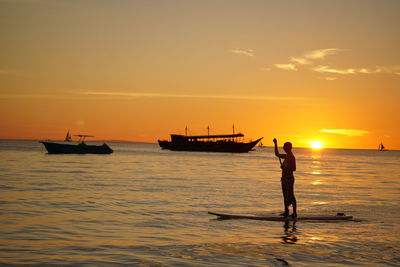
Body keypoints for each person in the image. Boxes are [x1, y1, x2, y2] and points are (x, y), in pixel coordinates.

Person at [273, 138, 297, 218]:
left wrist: (285, 168)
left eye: (285, 147)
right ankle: (286, 211)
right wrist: (275, 144)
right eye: (283, 147)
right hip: (284, 178)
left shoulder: (291, 157)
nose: (283, 148)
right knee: (284, 195)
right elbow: (277, 154)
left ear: (289, 148)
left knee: (291, 195)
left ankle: (294, 213)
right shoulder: (286, 156)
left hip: (289, 179)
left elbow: (294, 168)